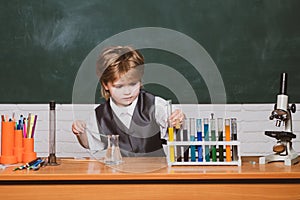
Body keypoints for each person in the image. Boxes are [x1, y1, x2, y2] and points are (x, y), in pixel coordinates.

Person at [72, 46, 185, 157]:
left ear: (140, 81)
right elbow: (89, 144)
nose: (127, 92)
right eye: (119, 86)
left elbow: (172, 118)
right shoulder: (99, 115)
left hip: (155, 173)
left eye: (132, 84)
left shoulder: (154, 104)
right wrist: (80, 132)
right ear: (105, 85)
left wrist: (177, 119)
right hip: (117, 173)